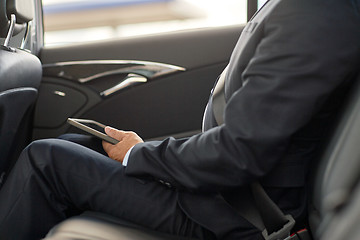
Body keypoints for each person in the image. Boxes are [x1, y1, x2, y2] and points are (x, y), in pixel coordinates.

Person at [1, 0, 360, 239]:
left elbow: (239, 154)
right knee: (76, 144)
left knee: (45, 158)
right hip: (233, 191)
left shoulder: (317, 14)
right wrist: (144, 152)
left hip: (242, 212)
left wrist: (138, 156)